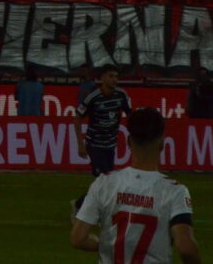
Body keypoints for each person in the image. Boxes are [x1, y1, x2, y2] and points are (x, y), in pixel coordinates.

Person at [71, 108, 201, 263]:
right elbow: (185, 247)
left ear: (128, 142)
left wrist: (111, 246)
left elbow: (78, 238)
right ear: (162, 143)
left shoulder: (104, 183)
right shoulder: (175, 191)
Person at [75, 66, 132, 210]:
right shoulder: (93, 97)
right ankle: (86, 207)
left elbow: (131, 115)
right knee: (104, 179)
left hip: (110, 145)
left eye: (116, 76)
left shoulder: (121, 95)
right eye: (111, 76)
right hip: (94, 145)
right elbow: (78, 117)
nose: (114, 80)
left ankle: (81, 204)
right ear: (102, 78)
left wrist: (134, 135)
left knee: (105, 181)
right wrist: (80, 144)